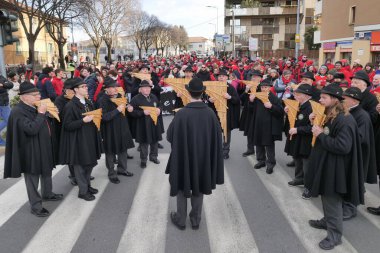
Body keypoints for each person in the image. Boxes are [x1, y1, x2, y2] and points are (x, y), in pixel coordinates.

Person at [305, 85, 364, 250]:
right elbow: (327, 131)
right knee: (326, 196)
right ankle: (326, 221)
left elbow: (343, 146)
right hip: (327, 164)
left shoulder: (344, 119)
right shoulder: (331, 114)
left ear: (335, 100)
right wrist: (314, 122)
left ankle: (335, 236)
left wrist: (320, 135)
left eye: (324, 98)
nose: (320, 100)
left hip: (335, 169)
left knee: (332, 201)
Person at [166, 77, 224, 230]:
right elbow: (217, 138)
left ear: (188, 92)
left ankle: (180, 219)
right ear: (202, 94)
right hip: (203, 159)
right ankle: (195, 219)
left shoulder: (182, 113)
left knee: (180, 186)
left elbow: (170, 136)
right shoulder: (210, 113)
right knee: (199, 185)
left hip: (183, 157)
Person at [4, 81, 63, 217]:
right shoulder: (18, 111)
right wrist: (42, 113)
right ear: (23, 97)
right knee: (33, 178)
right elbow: (31, 129)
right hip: (30, 150)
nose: (39, 97)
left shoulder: (35, 106)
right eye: (35, 95)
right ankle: (36, 206)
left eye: (39, 94)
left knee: (47, 170)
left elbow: (44, 123)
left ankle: (47, 194)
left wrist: (50, 114)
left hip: (43, 146)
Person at [59, 78, 103, 201]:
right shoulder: (70, 105)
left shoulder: (88, 102)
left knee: (90, 163)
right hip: (78, 140)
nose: (86, 88)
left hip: (90, 138)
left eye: (85, 86)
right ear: (76, 90)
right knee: (80, 167)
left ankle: (87, 186)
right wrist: (82, 121)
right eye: (83, 86)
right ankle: (83, 191)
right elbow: (67, 125)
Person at [341, 87, 378, 220]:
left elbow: (361, 137)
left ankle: (351, 208)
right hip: (349, 152)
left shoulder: (363, 116)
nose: (342, 100)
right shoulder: (348, 111)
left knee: (354, 180)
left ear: (354, 100)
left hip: (358, 155)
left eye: (345, 98)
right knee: (349, 180)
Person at [99, 77, 135, 184]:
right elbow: (104, 117)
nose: (113, 89)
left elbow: (126, 109)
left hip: (122, 128)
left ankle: (122, 169)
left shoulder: (121, 97)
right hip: (109, 130)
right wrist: (117, 110)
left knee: (123, 150)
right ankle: (111, 173)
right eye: (110, 88)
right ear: (106, 89)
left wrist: (129, 108)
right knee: (110, 152)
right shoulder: (103, 100)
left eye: (115, 87)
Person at [249, 79, 284, 174]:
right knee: (258, 143)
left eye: (266, 87)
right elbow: (251, 110)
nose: (264, 89)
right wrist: (251, 101)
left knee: (269, 145)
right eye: (262, 87)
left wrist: (271, 106)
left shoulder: (274, 98)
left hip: (269, 126)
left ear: (270, 88)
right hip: (258, 124)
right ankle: (261, 160)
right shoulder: (257, 97)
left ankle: (271, 162)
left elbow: (281, 112)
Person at [129, 80, 163, 168]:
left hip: (154, 123)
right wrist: (142, 113)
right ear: (140, 89)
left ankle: (153, 157)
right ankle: (143, 160)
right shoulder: (135, 99)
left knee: (155, 141)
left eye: (149, 88)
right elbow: (131, 113)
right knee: (144, 143)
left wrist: (159, 109)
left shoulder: (153, 96)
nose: (148, 89)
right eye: (145, 88)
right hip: (142, 125)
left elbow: (159, 105)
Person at [284, 84, 313, 189]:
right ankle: (299, 178)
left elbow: (313, 127)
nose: (295, 96)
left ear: (306, 96)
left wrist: (297, 129)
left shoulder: (311, 107)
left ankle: (308, 186)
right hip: (298, 138)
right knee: (297, 159)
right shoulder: (299, 104)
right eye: (295, 93)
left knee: (306, 164)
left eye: (298, 94)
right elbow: (293, 120)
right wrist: (287, 112)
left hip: (306, 140)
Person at [239, 70, 262, 157]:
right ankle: (250, 149)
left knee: (258, 131)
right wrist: (246, 90)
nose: (254, 78)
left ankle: (260, 152)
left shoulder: (263, 87)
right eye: (253, 77)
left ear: (260, 78)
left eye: (256, 77)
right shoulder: (248, 86)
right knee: (249, 129)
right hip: (248, 111)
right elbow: (241, 99)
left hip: (258, 111)